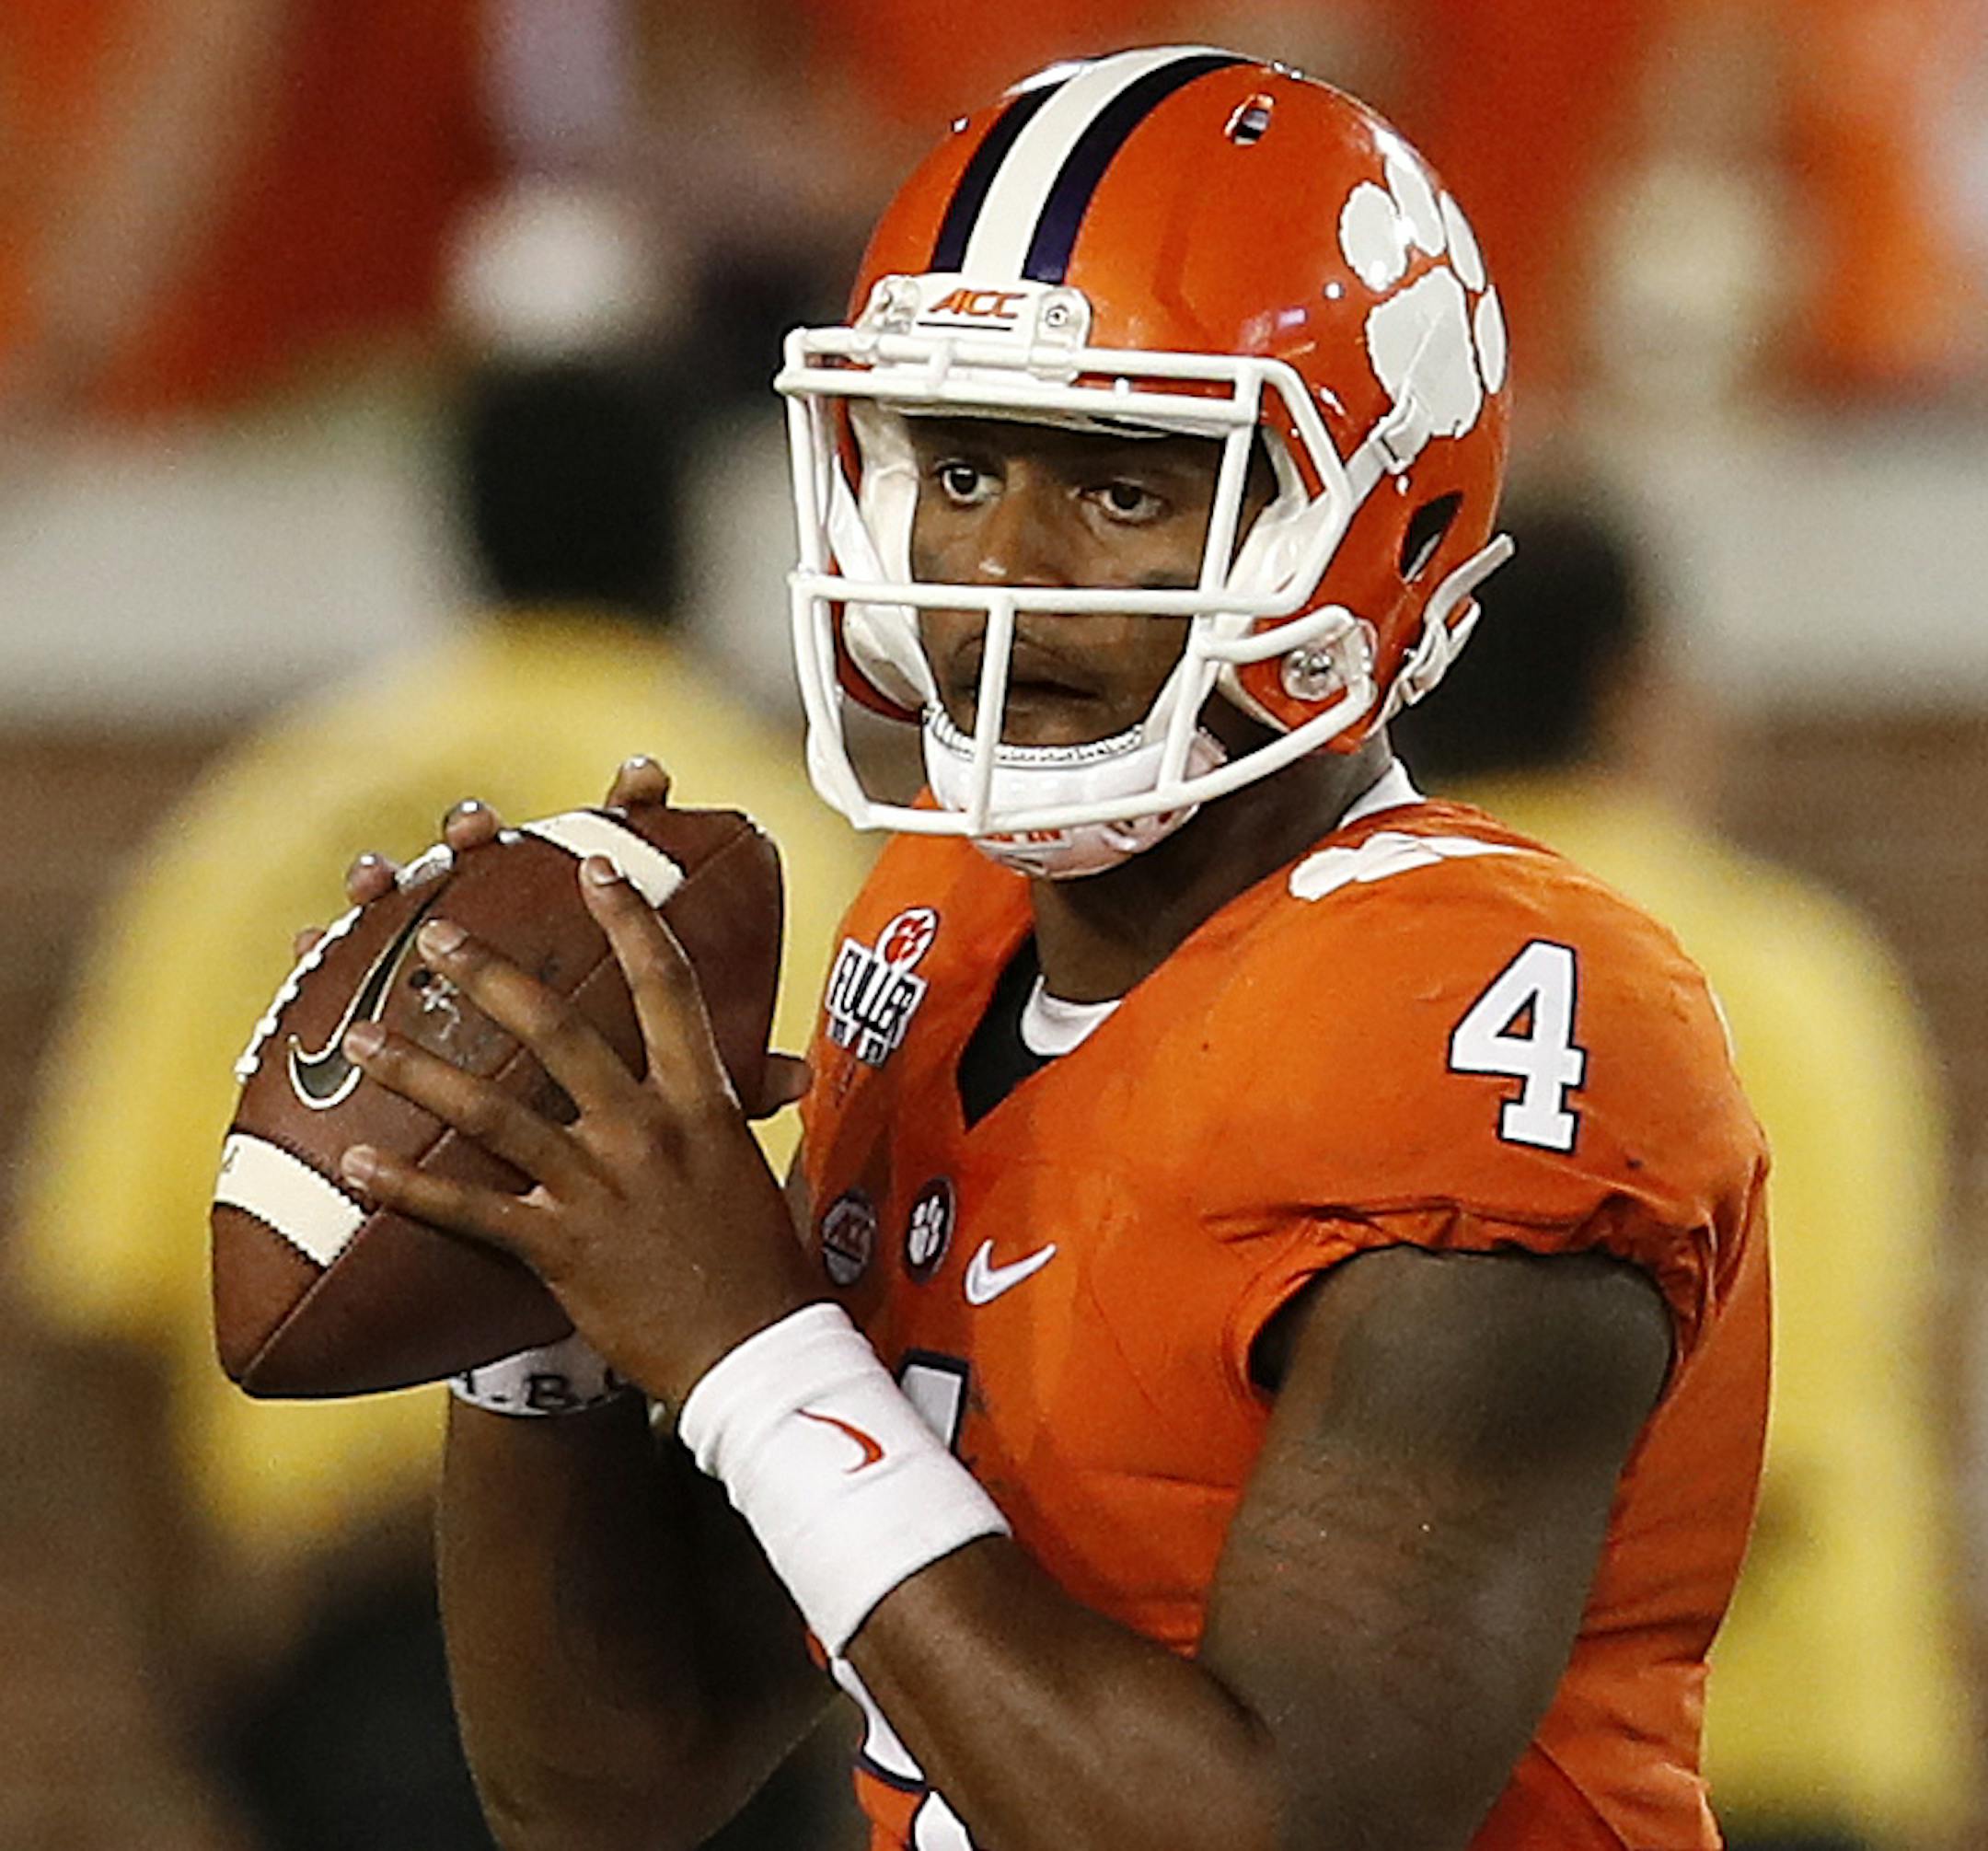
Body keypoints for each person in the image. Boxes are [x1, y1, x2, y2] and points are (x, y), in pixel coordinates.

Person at [328, 50, 1769, 1848]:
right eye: (961, 461)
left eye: (1119, 487)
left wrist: (749, 1348)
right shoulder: (936, 932)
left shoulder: (1493, 1016)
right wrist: (539, 1281)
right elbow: (607, 1783)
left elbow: (1268, 1831)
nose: (999, 563)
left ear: (1371, 526)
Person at [10, 351, 870, 1845]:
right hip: (661, 1603)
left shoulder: (271, 820)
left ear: (464, 532)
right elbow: (846, 1268)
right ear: (684, 534)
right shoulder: (761, 834)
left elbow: (96, 1303)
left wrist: (193, 1677)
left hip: (332, 1647)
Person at [1392, 500, 1980, 1851]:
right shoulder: (1780, 967)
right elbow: (1785, 1427)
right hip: (1763, 1735)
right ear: (1634, 688)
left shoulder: (1328, 969)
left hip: (1426, 1759)